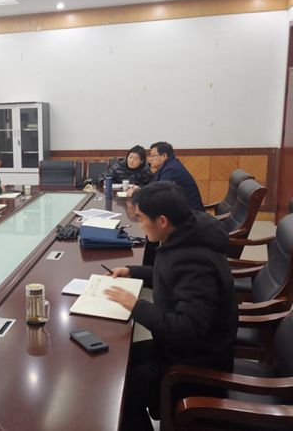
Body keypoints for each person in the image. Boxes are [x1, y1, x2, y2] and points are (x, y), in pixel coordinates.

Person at [104, 182, 238, 431]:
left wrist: (136, 306)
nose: (140, 225)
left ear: (162, 221)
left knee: (120, 388)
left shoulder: (195, 262)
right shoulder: (185, 235)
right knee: (114, 362)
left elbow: (187, 329)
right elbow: (171, 276)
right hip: (180, 350)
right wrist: (134, 272)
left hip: (196, 365)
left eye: (142, 218)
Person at [148, 141, 205, 211]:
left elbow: (160, 194)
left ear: (164, 156)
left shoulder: (171, 170)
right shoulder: (169, 166)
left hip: (191, 214)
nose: (150, 159)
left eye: (152, 156)